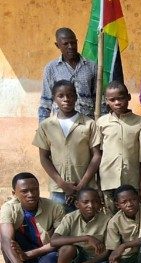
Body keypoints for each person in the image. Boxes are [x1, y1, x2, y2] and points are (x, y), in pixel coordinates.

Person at [33, 80, 101, 212]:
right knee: (60, 227)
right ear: (54, 99)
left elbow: (96, 156)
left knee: (87, 226)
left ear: (76, 97)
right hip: (59, 189)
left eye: (70, 95)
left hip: (86, 189)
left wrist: (81, 185)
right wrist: (62, 184)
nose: (66, 99)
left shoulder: (89, 124)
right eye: (61, 96)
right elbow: (44, 158)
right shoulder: (46, 126)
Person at [0, 173, 65, 263]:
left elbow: (59, 241)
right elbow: (5, 240)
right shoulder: (8, 208)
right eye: (25, 191)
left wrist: (31, 254)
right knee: (6, 239)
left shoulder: (54, 207)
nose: (31, 194)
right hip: (22, 252)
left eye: (35, 189)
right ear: (14, 193)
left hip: (47, 251)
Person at [48, 188, 110, 263]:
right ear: (77, 204)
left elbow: (108, 251)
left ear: (100, 203)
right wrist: (86, 238)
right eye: (85, 202)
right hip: (77, 256)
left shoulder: (107, 219)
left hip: (97, 259)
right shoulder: (70, 218)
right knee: (66, 249)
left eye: (95, 202)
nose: (90, 205)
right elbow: (54, 241)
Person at [94, 81, 141, 213]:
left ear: (129, 97)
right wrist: (97, 185)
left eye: (121, 98)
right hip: (108, 182)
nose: (117, 103)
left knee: (133, 216)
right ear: (106, 101)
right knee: (111, 218)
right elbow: (97, 155)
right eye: (112, 100)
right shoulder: (101, 123)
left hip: (132, 181)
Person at [39, 28, 97, 122]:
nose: (70, 46)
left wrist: (101, 125)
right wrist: (42, 127)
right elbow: (46, 101)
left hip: (86, 123)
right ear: (57, 45)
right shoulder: (51, 68)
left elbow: (99, 98)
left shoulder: (92, 66)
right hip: (60, 123)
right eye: (65, 44)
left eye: (73, 43)